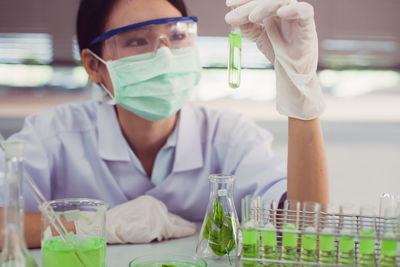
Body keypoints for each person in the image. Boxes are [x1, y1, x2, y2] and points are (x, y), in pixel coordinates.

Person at [0, 0, 328, 248]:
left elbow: (304, 228)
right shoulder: (53, 136)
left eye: (176, 35)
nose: (165, 56)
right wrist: (95, 226)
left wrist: (301, 92)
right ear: (94, 65)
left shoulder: (227, 136)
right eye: (137, 41)